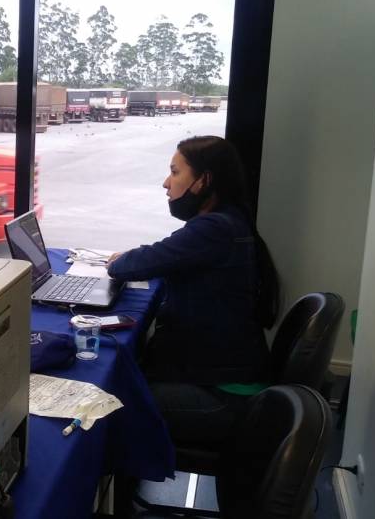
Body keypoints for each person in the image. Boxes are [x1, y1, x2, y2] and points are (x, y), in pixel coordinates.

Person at [107, 135, 280, 445]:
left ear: (203, 181)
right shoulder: (232, 220)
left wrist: (122, 259)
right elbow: (167, 256)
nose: (165, 183)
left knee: (105, 404)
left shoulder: (213, 229)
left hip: (223, 395)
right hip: (224, 375)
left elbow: (130, 266)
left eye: (175, 172)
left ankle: (118, 484)